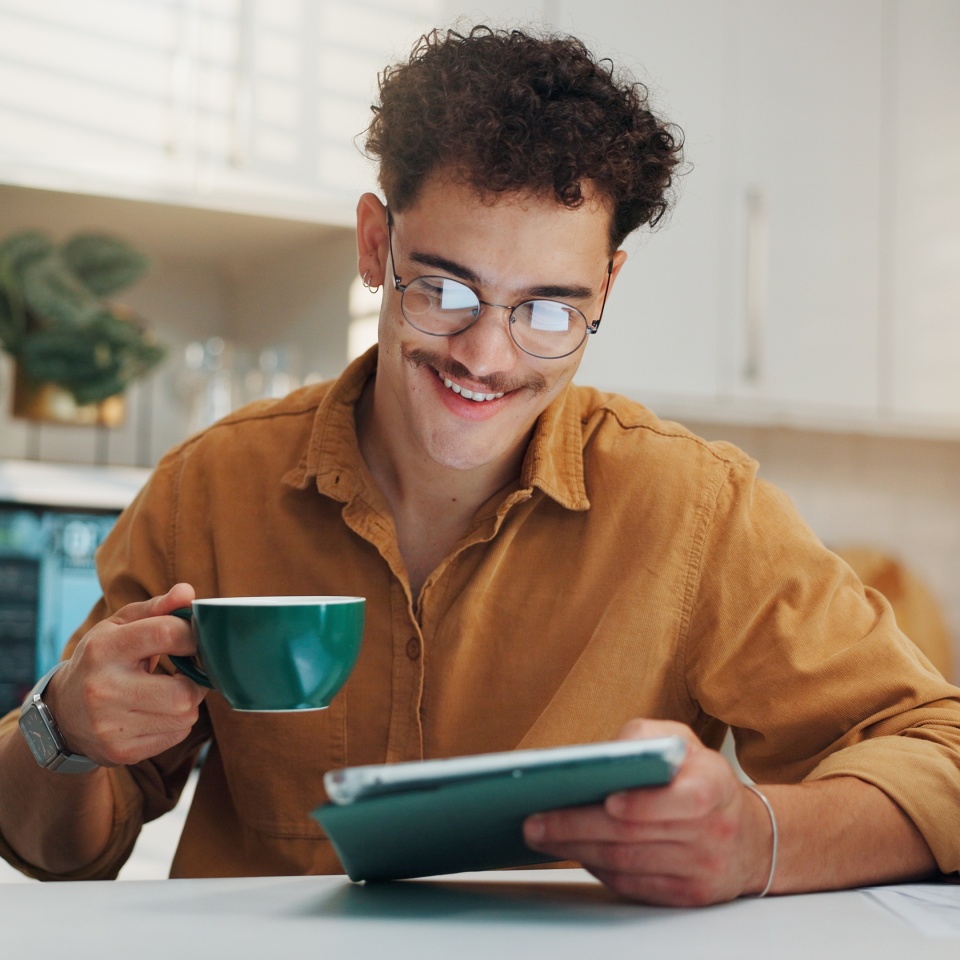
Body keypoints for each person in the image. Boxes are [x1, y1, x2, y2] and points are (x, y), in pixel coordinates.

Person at [1, 24, 959, 906]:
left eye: (549, 309)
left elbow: (941, 755)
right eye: (446, 289)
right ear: (377, 245)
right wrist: (63, 733)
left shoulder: (697, 512)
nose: (486, 358)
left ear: (607, 288)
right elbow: (58, 849)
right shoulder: (213, 486)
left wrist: (761, 836)